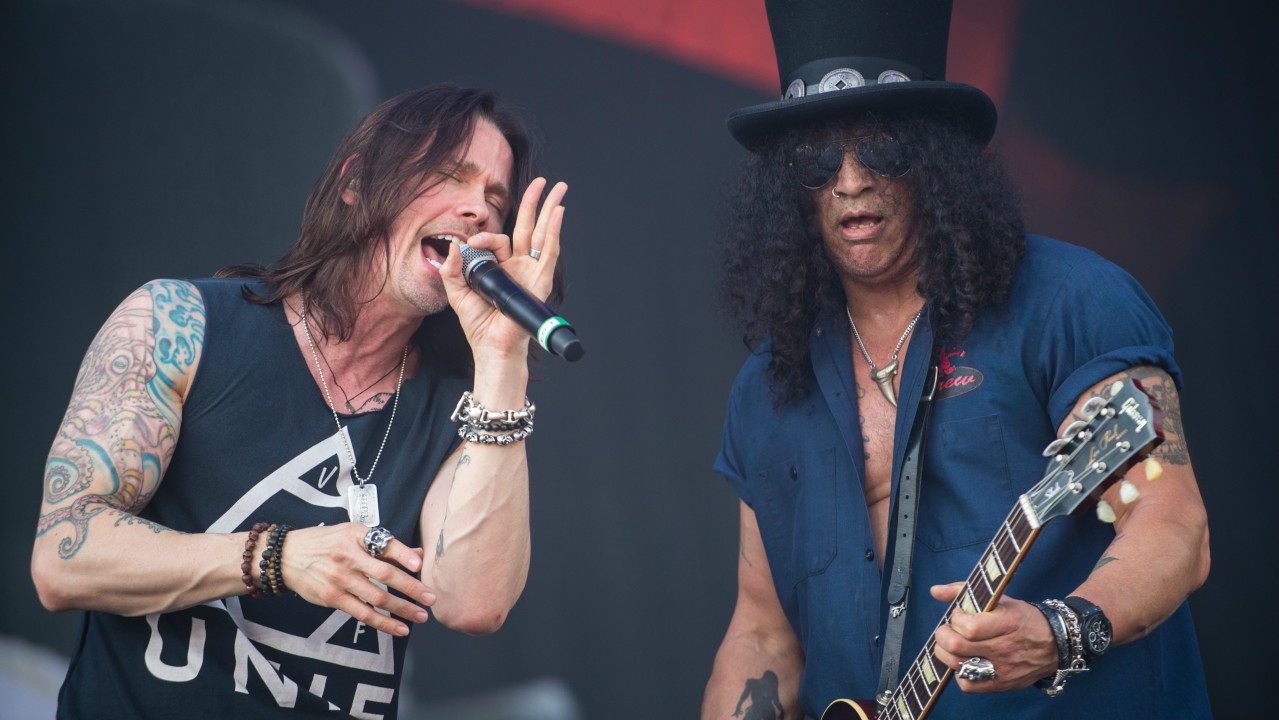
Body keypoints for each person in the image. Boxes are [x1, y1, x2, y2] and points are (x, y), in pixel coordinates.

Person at [701, 1, 1211, 718]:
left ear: (934, 160)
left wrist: (1063, 631)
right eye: (818, 160)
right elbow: (760, 632)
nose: (849, 180)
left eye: (882, 150)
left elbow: (1170, 524)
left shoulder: (1073, 300)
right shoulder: (766, 386)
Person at [31, 83, 568, 718]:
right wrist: (277, 557)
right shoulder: (180, 324)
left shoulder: (460, 411)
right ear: (357, 183)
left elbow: (474, 603)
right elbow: (65, 557)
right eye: (451, 175)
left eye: (495, 199)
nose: (478, 210)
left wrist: (503, 359)